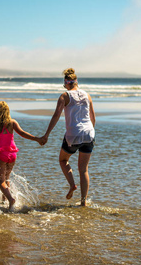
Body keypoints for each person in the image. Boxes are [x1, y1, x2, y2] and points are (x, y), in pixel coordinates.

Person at [41, 68, 96, 206]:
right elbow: (92, 117)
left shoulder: (64, 96)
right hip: (89, 133)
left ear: (66, 83)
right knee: (83, 169)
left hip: (73, 135)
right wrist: (90, 132)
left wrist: (46, 135)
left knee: (63, 160)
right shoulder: (87, 95)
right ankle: (83, 202)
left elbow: (56, 116)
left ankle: (72, 185)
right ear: (76, 82)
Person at [0, 101, 43, 210]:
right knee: (6, 178)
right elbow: (22, 133)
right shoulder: (12, 122)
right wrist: (37, 139)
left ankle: (11, 199)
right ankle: (4, 200)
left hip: (1, 154)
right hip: (12, 154)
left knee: (0, 181)